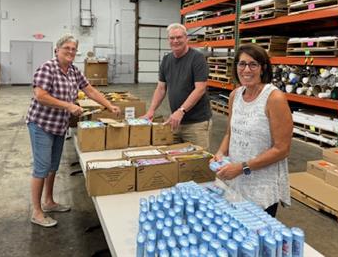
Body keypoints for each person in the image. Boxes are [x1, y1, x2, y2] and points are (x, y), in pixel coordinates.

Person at [26, 34, 120, 227]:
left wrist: (109, 106)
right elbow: (40, 95)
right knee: (41, 168)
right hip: (41, 124)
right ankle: (36, 212)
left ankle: (49, 202)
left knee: (53, 166)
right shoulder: (48, 68)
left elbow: (90, 90)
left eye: (73, 49)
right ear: (57, 50)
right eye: (66, 48)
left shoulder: (73, 71)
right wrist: (68, 106)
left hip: (59, 125)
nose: (70, 52)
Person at [212, 43, 292, 217]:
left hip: (261, 186)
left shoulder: (274, 98)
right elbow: (230, 133)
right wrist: (220, 152)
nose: (246, 70)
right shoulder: (235, 95)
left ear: (263, 68)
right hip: (235, 180)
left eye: (253, 64)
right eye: (242, 64)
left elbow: (282, 149)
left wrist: (242, 167)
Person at [142, 23, 212, 149]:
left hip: (196, 123)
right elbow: (161, 88)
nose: (175, 41)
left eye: (179, 37)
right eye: (172, 38)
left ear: (186, 38)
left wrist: (181, 110)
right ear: (168, 40)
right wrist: (151, 110)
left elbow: (200, 89)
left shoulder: (197, 58)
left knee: (197, 162)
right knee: (174, 160)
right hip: (175, 122)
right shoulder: (166, 60)